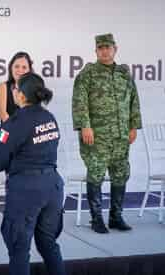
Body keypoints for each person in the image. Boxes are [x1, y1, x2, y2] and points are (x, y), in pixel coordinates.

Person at [0, 72, 66, 275]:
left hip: (26, 191)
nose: (13, 91)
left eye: (15, 88)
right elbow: (23, 136)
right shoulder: (49, 117)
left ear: (21, 95)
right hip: (53, 188)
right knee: (48, 244)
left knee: (19, 250)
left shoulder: (15, 123)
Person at [72, 33, 142, 233]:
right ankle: (96, 219)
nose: (104, 51)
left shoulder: (124, 74)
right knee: (96, 174)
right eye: (100, 48)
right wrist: (84, 126)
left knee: (120, 174)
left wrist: (133, 126)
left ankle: (115, 217)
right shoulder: (88, 73)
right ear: (96, 51)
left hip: (121, 135)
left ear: (115, 49)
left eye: (108, 47)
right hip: (96, 136)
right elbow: (80, 101)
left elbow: (133, 101)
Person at [0, 52, 33, 123]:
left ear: (29, 70)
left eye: (24, 67)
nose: (20, 70)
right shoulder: (3, 87)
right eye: (16, 66)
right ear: (11, 67)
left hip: (28, 132)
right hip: (6, 132)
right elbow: (3, 116)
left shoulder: (33, 90)